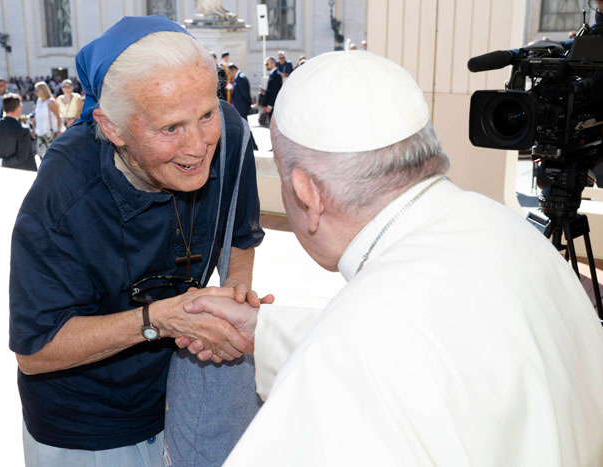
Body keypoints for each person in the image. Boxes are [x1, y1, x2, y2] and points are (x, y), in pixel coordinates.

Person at [180, 51, 603, 466]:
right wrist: (263, 329)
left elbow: (370, 353)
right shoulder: (506, 229)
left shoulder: (343, 362)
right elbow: (434, 341)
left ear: (308, 194)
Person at [10, 15, 269, 467]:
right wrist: (159, 320)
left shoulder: (227, 133)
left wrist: (233, 295)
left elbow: (241, 232)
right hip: (88, 425)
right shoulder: (64, 192)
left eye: (206, 113)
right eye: (170, 128)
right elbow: (35, 351)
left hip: (179, 395)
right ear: (112, 128)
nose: (198, 145)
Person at [0, 93, 36, 171]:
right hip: (22, 174)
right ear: (19, 107)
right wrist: (1, 162)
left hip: (0, 173)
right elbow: (22, 157)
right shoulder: (23, 129)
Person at [32, 81, 62, 158]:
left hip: (50, 133)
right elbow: (36, 117)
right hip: (40, 133)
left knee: (53, 156)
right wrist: (33, 129)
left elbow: (58, 116)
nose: (35, 92)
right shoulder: (38, 101)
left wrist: (59, 130)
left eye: (37, 90)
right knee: (41, 156)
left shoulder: (51, 101)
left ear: (43, 90)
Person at [262, 57, 282, 121]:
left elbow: (276, 92)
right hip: (270, 106)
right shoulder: (272, 74)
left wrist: (270, 106)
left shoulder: (277, 75)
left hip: (273, 107)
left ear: (273, 64)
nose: (266, 66)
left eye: (267, 64)